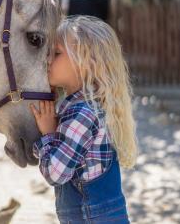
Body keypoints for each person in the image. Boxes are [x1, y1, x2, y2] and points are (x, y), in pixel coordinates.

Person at [29, 15, 138, 224]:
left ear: (87, 63)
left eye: (57, 53)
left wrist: (49, 134)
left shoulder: (82, 113)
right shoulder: (88, 106)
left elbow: (55, 173)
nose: (47, 59)